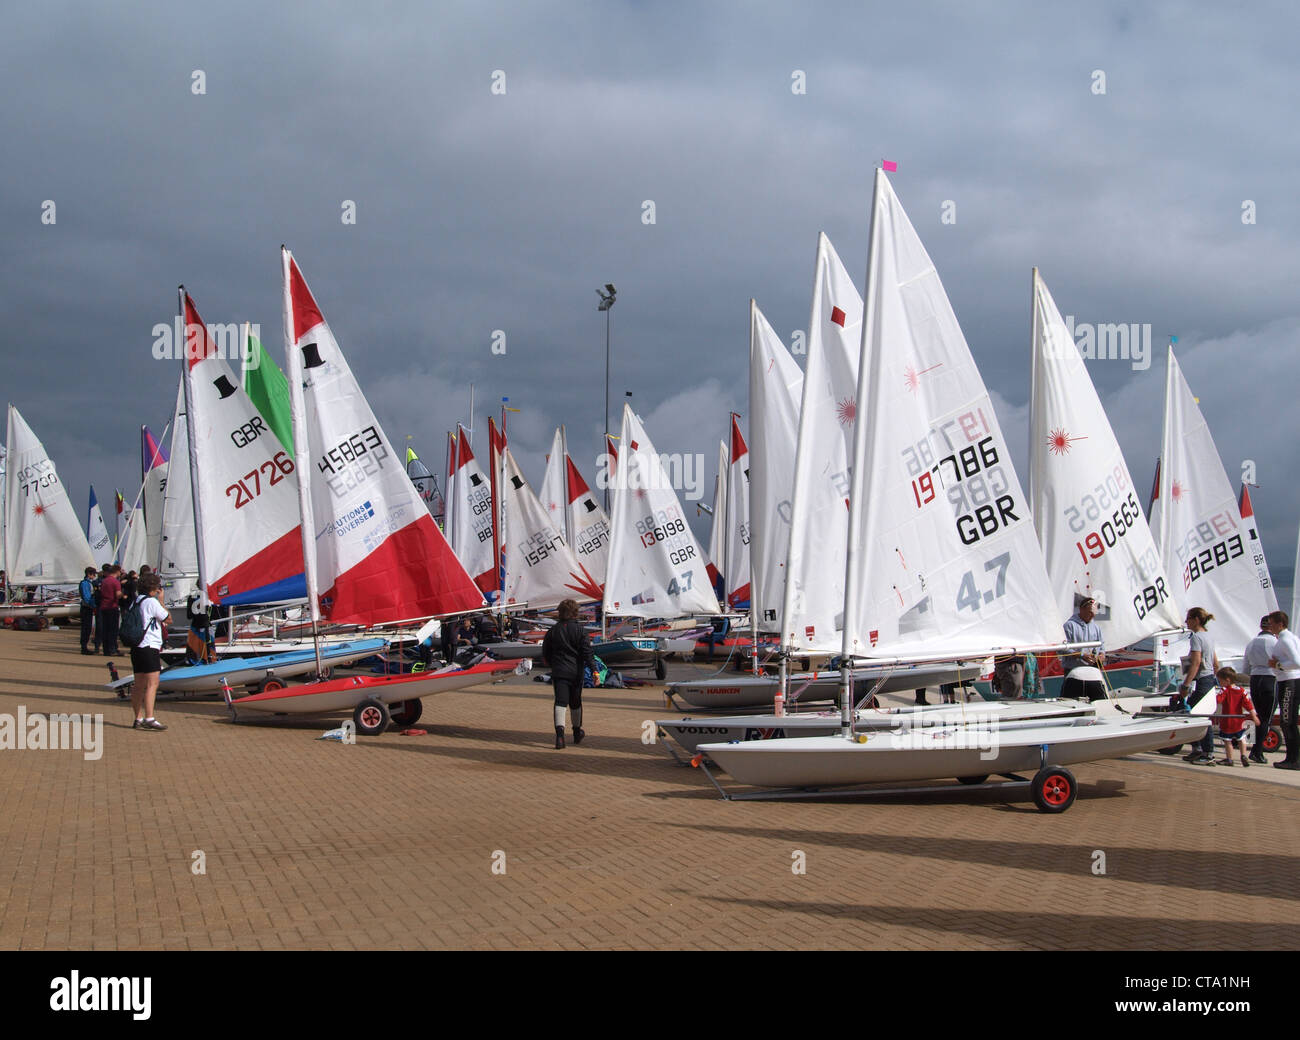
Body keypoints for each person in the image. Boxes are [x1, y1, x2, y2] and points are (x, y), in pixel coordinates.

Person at [541, 598, 598, 749]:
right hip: (575, 672)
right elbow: (587, 653)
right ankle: (577, 732)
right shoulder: (581, 631)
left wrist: (553, 664)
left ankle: (560, 737)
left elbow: (545, 654)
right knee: (575, 702)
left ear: (560, 613)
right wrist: (595, 670)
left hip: (559, 672)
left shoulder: (552, 631)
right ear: (575, 613)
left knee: (560, 702)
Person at [128, 574, 170, 731]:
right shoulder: (152, 602)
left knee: (138, 684)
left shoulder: (137, 600)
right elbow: (168, 618)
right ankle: (149, 718)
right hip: (149, 646)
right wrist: (161, 600)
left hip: (136, 646)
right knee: (152, 683)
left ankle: (138, 718)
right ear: (154, 588)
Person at [1180, 607, 1221, 765]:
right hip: (1209, 678)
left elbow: (1196, 663)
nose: (1186, 621)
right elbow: (1216, 663)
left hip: (1202, 680)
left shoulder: (1196, 637)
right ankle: (1198, 749)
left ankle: (1207, 752)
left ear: (1196, 619)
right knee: (1195, 713)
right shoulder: (1209, 637)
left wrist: (1186, 684)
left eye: (1188, 618)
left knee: (1199, 714)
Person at [1266, 610, 1300, 770]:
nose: (1269, 626)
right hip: (1291, 681)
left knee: (1287, 722)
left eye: (1271, 623)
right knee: (1290, 722)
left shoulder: (1285, 640)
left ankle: (1293, 759)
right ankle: (1293, 758)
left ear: (1280, 623)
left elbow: (1297, 662)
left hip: (1288, 682)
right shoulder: (1291, 637)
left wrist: (1278, 665)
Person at [1243, 616, 1277, 763]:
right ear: (1272, 626)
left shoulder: (1251, 643)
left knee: (1258, 716)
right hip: (1270, 678)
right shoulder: (1275, 642)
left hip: (1255, 679)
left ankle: (1253, 749)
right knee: (1266, 718)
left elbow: (1245, 668)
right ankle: (1257, 752)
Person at [1061, 597, 1106, 701]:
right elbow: (1062, 648)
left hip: (1092, 672)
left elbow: (1102, 646)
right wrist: (1081, 655)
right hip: (1073, 672)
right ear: (1081, 609)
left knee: (1097, 700)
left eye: (1094, 613)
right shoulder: (1069, 625)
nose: (1092, 615)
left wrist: (1101, 656)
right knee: (1070, 700)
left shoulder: (1096, 627)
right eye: (1090, 612)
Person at [1213, 667, 1258, 767]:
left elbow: (1218, 700)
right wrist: (1253, 716)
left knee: (1227, 741)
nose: (1219, 683)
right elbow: (1248, 704)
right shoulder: (1241, 691)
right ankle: (1243, 755)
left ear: (1227, 680)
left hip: (1227, 720)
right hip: (1239, 720)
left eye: (1220, 681)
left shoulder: (1224, 690)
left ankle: (1229, 759)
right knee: (1241, 738)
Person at [98, 565, 123, 656]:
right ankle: (113, 649)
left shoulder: (104, 581)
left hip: (104, 606)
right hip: (112, 606)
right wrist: (124, 594)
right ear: (117, 571)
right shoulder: (115, 582)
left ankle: (106, 650)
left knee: (105, 629)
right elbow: (118, 595)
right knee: (113, 629)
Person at [78, 566, 99, 654]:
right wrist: (94, 605)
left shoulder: (89, 583)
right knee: (86, 628)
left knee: (88, 628)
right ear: (89, 574)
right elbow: (87, 597)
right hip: (86, 608)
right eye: (93, 574)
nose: (94, 576)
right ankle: (84, 647)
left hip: (88, 607)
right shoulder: (85, 583)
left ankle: (84, 646)